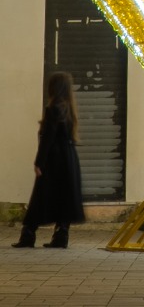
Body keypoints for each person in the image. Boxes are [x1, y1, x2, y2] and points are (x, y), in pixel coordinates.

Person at [11, 73, 85, 250]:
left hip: (54, 159)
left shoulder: (53, 109)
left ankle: (28, 235)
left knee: (41, 197)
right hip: (69, 158)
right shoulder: (69, 110)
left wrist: (39, 162)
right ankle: (61, 236)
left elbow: (48, 139)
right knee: (64, 197)